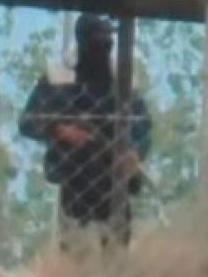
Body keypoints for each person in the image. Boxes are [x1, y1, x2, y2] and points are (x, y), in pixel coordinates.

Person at [19, 14, 152, 252]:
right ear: (81, 42)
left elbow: (142, 126)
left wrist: (135, 153)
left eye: (107, 42)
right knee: (75, 246)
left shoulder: (123, 80)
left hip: (114, 176)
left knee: (116, 247)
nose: (102, 48)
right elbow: (28, 121)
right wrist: (60, 129)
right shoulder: (59, 77)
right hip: (74, 175)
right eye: (96, 41)